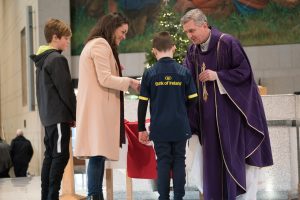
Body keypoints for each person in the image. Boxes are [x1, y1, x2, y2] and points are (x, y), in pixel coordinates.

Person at [181, 8, 273, 200]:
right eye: (186, 32)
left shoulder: (227, 43)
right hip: (207, 122)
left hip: (229, 118)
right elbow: (185, 79)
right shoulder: (193, 51)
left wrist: (218, 76)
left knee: (233, 162)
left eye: (192, 31)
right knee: (211, 167)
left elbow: (245, 73)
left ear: (204, 25)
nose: (189, 36)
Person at [74, 12, 140, 200]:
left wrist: (117, 72)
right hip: (98, 110)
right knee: (97, 154)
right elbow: (104, 78)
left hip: (98, 109)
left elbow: (104, 74)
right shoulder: (100, 45)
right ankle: (94, 195)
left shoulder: (96, 44)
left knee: (98, 154)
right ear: (112, 28)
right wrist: (129, 81)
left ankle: (94, 195)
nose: (124, 36)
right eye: (122, 31)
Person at [138, 31, 198, 200]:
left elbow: (142, 103)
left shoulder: (149, 74)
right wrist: (182, 110)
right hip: (180, 125)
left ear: (154, 51)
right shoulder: (183, 72)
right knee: (179, 160)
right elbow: (193, 99)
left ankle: (163, 197)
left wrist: (141, 128)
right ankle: (179, 197)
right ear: (173, 48)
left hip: (159, 127)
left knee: (163, 162)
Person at [30, 18, 76, 200]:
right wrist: (75, 114)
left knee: (51, 156)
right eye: (66, 38)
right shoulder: (56, 59)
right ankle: (51, 196)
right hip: (58, 117)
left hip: (49, 117)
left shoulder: (41, 61)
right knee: (60, 156)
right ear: (55, 37)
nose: (68, 41)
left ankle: (46, 196)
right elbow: (66, 91)